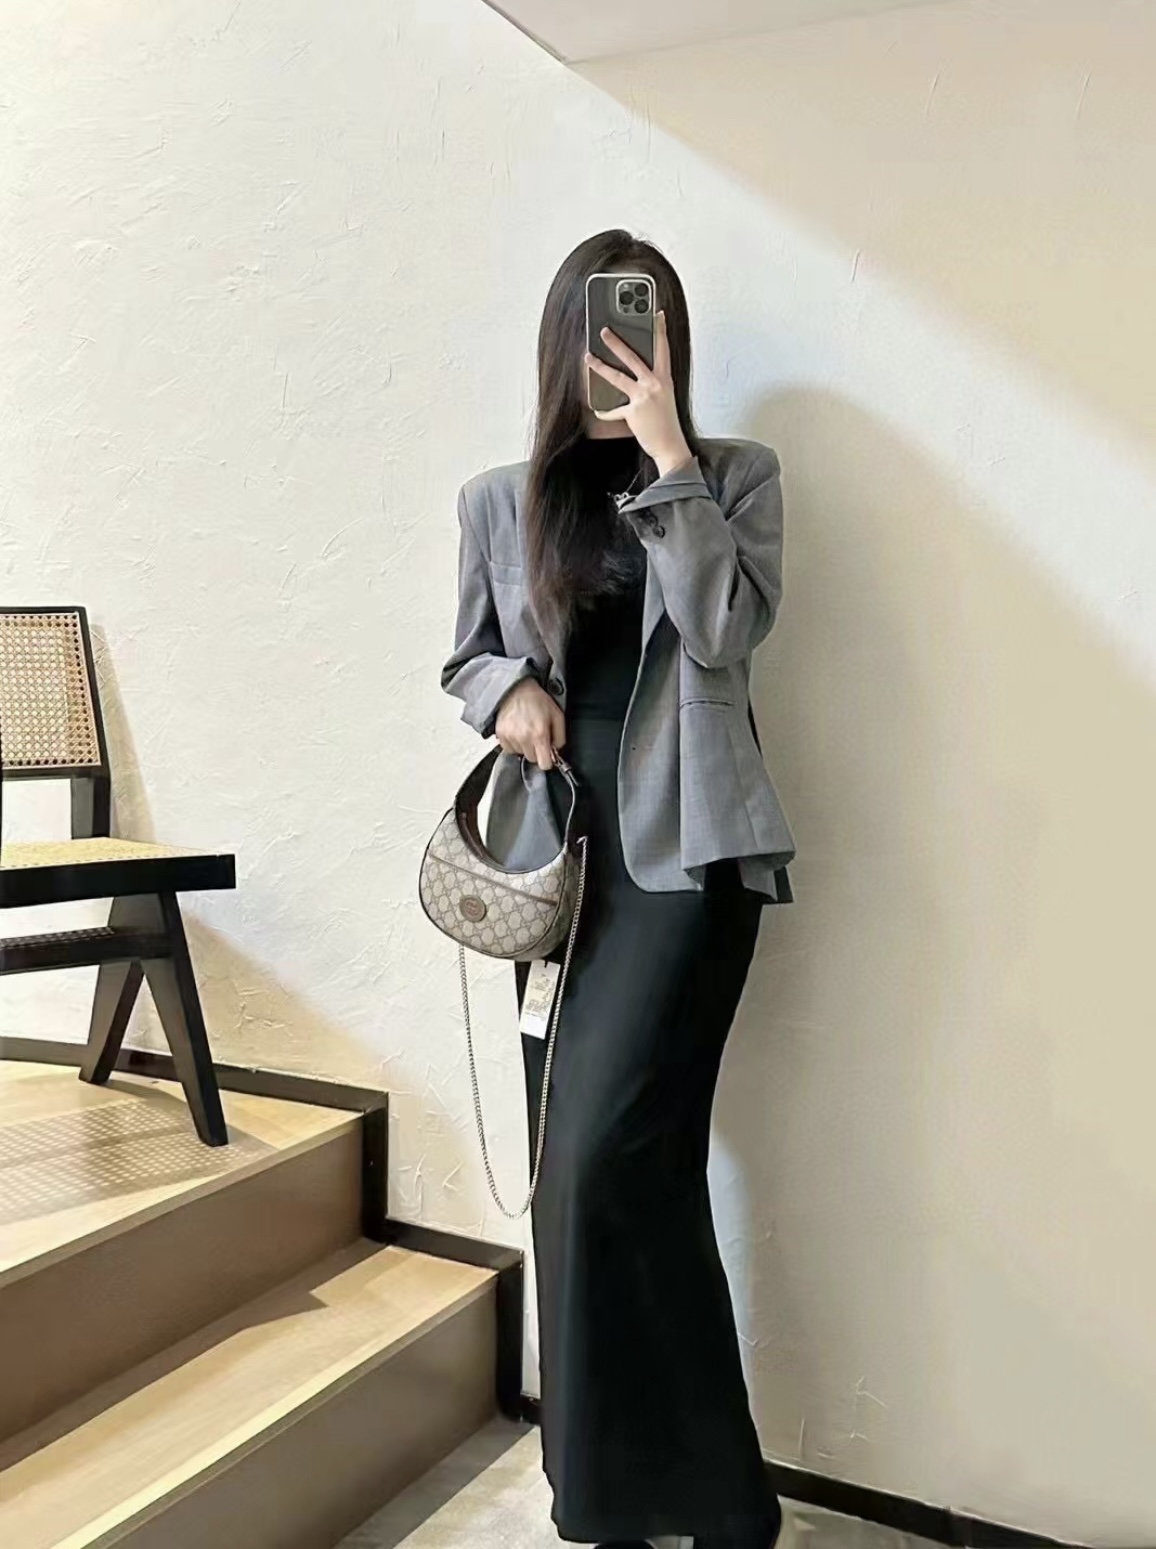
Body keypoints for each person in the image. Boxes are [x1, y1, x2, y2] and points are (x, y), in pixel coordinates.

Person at [441, 229, 795, 1549]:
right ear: (564, 340)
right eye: (600, 327)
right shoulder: (500, 500)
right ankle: (658, 1503)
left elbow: (728, 630)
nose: (622, 351)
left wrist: (670, 462)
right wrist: (508, 694)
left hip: (689, 864)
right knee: (601, 1180)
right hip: (560, 868)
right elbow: (466, 658)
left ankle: (683, 1496)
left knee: (601, 1163)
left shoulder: (733, 475)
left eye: (642, 327)